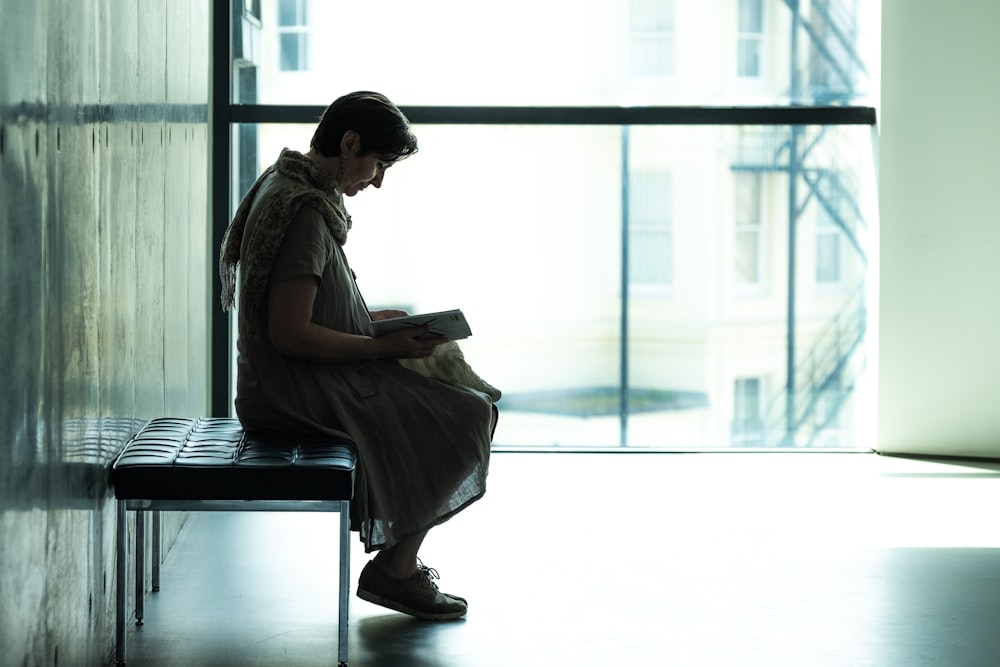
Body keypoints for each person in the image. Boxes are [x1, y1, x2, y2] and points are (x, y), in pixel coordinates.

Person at [218, 91, 497, 621]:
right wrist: (379, 346)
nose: (377, 180)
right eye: (378, 164)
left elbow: (306, 311)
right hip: (295, 392)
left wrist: (374, 324)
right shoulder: (303, 211)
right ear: (348, 144)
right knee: (469, 414)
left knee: (456, 397)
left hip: (292, 380)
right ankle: (396, 571)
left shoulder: (288, 187)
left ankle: (398, 566)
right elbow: (290, 334)